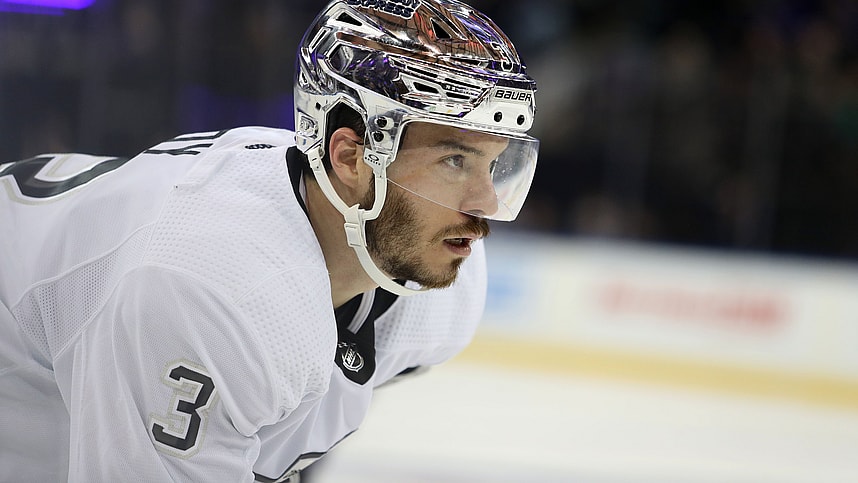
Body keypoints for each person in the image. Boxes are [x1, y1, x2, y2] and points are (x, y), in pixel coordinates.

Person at [0, 0, 539, 481]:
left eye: (495, 164)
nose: (487, 203)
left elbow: (293, 421)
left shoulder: (434, 275)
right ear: (351, 158)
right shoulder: (209, 286)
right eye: (454, 160)